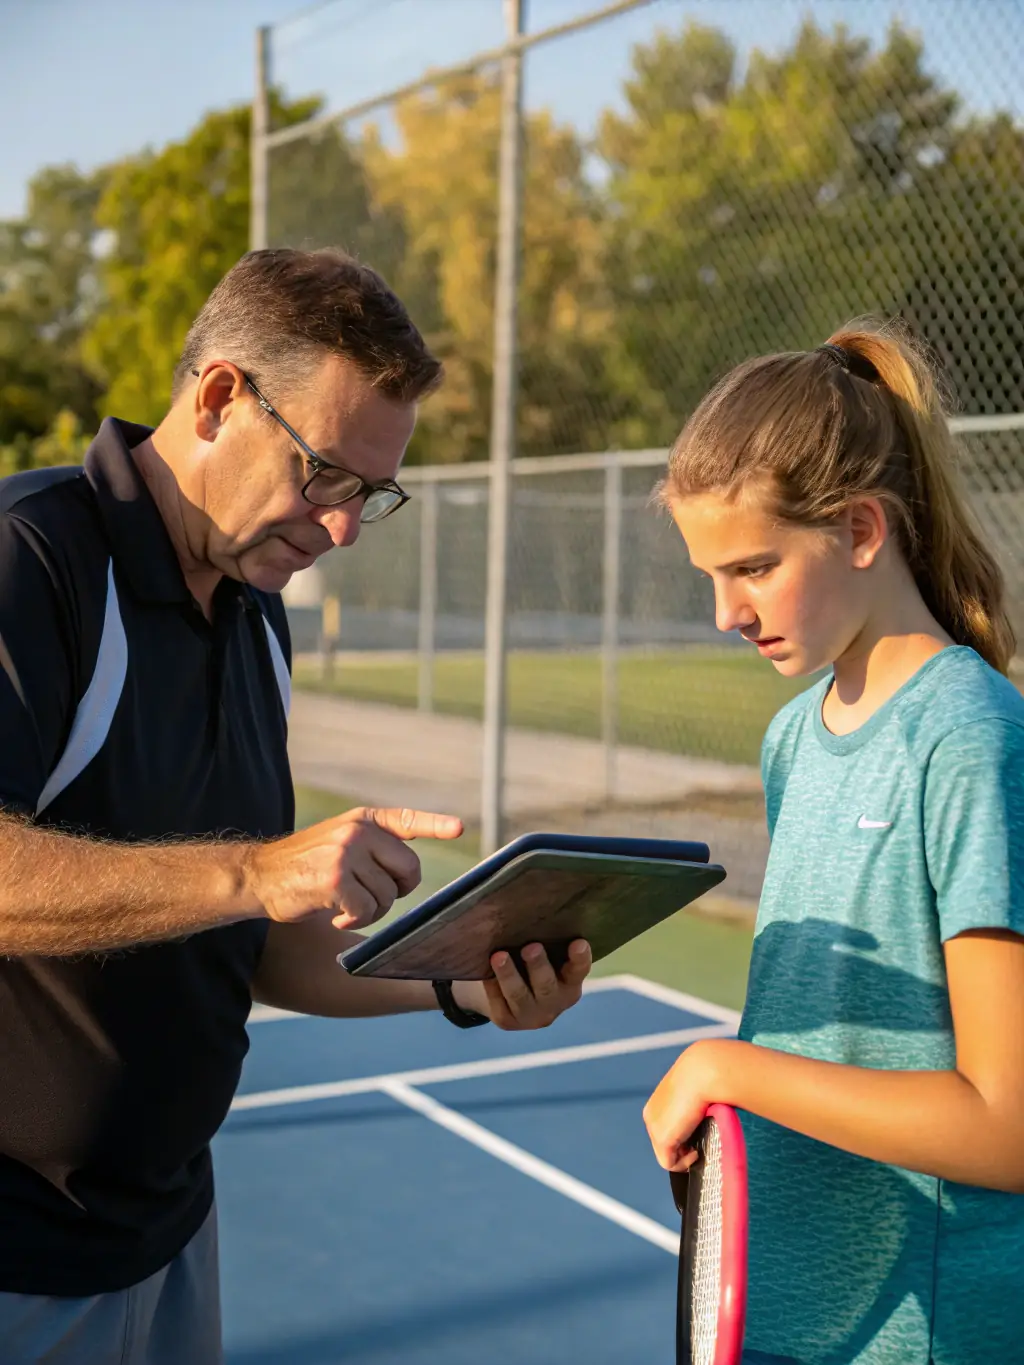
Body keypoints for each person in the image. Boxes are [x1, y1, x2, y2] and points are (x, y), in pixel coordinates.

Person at [0, 246, 592, 1365]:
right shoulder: (31, 557)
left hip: (171, 1235)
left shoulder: (251, 613)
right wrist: (255, 870)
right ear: (220, 397)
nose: (342, 530)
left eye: (371, 493)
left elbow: (262, 958)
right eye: (325, 474)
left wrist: (469, 983)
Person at [642, 321, 1024, 1364]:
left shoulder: (970, 740)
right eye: (709, 576)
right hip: (794, 1310)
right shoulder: (790, 739)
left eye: (754, 567)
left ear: (861, 530)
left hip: (924, 1333)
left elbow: (1004, 1125)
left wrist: (734, 1072)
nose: (725, 611)